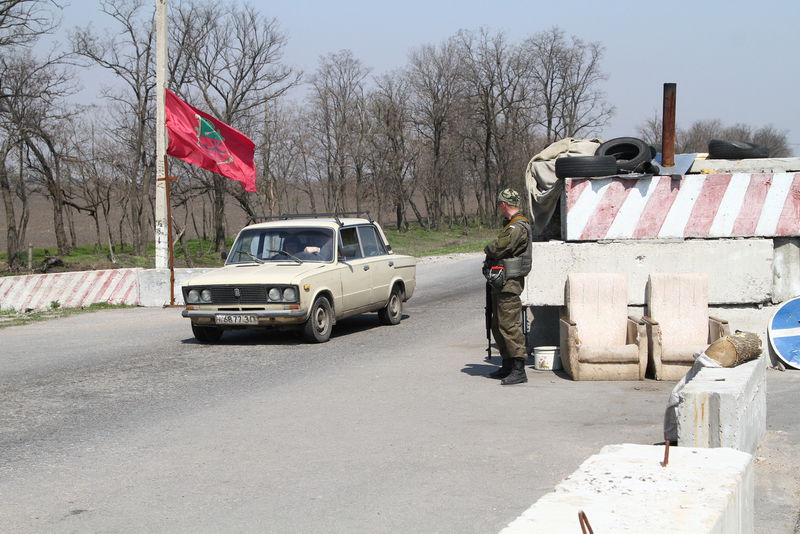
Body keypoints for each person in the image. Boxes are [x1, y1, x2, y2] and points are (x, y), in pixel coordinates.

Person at [484, 188, 532, 385]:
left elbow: (500, 247)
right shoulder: (511, 225)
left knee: (510, 325)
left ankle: (519, 369)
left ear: (504, 204)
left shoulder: (518, 227)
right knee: (499, 324)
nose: (499, 209)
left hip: (509, 284)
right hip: (501, 283)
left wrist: (489, 248)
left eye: (500, 205)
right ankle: (507, 364)